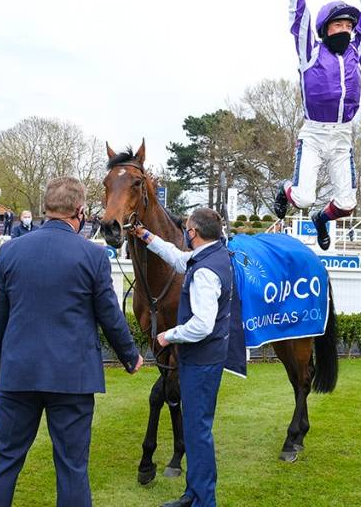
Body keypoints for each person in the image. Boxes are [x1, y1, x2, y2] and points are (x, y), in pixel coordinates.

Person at [0, 177, 143, 507]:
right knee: (72, 467)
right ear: (80, 211)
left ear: (46, 208)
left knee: (4, 461)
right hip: (72, 377)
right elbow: (109, 314)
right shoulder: (93, 255)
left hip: (20, 373)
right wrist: (130, 356)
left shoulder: (11, 251)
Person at [271, 0, 361, 251]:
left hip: (343, 135)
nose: (346, 30)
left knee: (346, 203)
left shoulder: (356, 52)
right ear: (325, 29)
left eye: (349, 26)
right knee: (303, 197)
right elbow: (298, 14)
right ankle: (284, 187)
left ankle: (322, 219)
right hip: (315, 135)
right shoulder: (310, 50)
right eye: (338, 26)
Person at [132, 208, 232, 507]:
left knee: (198, 432)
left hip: (201, 360)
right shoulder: (213, 255)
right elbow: (176, 257)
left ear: (193, 233)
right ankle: (193, 493)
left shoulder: (204, 272)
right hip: (207, 357)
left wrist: (169, 335)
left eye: (187, 229)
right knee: (196, 429)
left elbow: (202, 325)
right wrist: (146, 235)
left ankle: (203, 500)